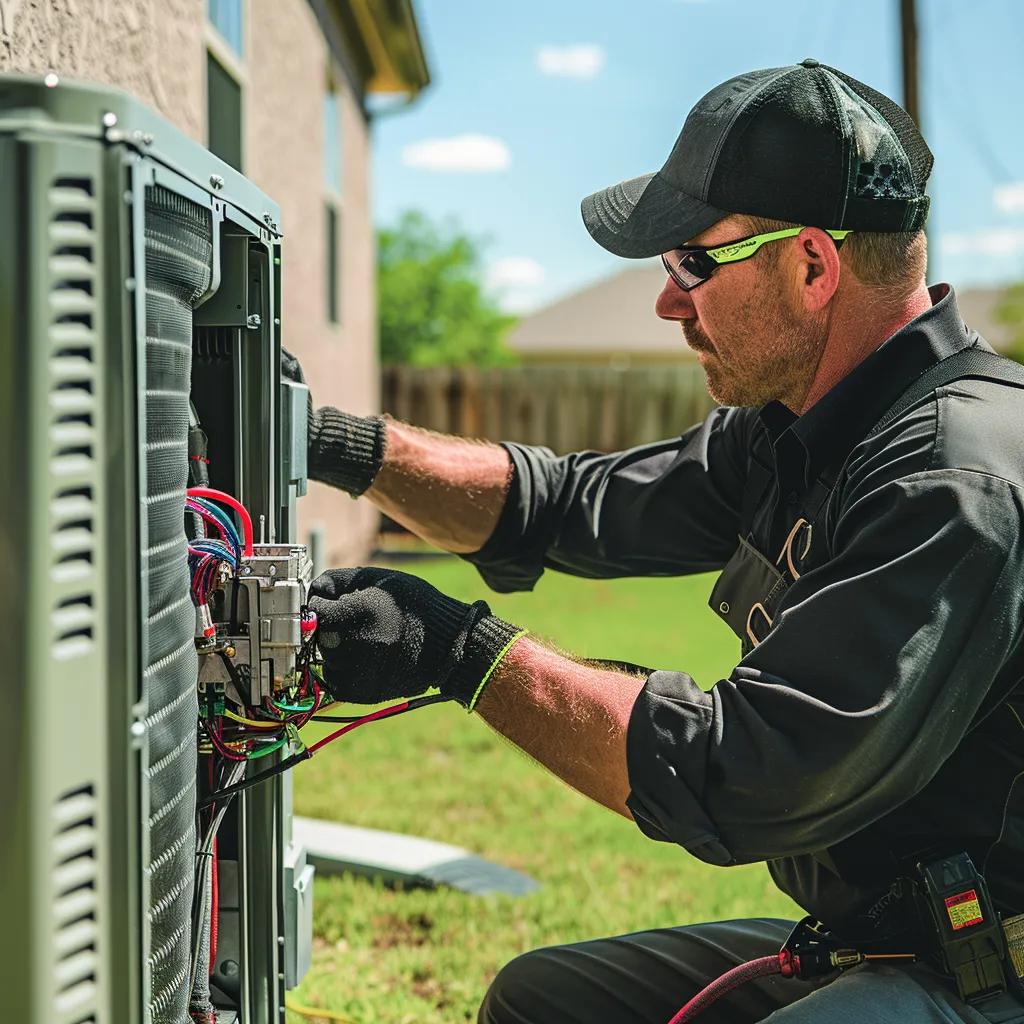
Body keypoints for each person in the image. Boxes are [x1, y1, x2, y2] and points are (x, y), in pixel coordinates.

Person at [288, 60, 1024, 1023]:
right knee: (541, 1002)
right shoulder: (800, 426)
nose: (669, 302)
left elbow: (745, 770)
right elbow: (566, 506)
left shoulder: (952, 478)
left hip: (984, 970)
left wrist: (457, 650)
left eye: (692, 262)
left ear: (811, 265)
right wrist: (328, 442)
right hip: (879, 938)